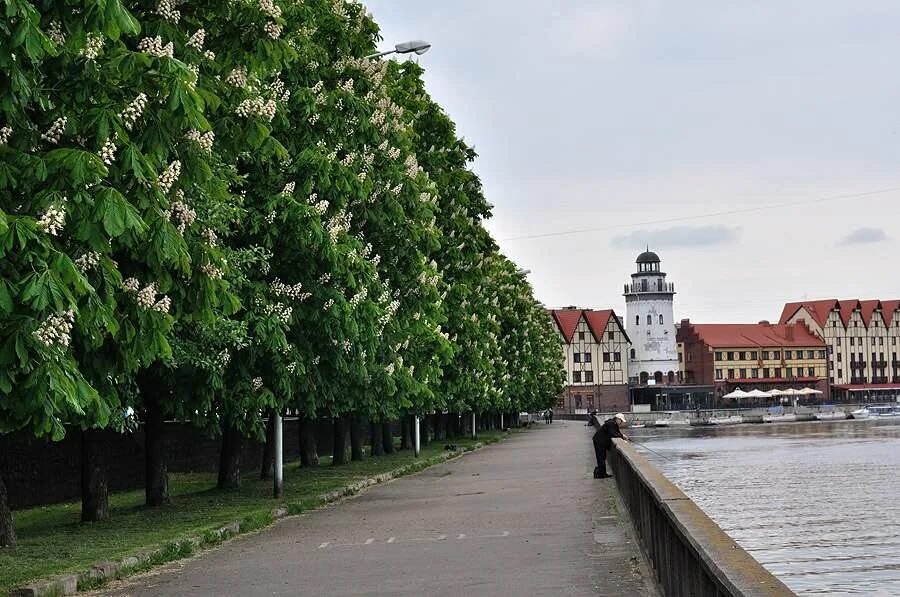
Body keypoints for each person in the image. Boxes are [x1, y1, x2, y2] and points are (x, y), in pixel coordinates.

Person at [591, 413, 629, 478]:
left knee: (602, 457)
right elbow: (613, 434)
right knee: (601, 458)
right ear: (617, 419)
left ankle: (602, 473)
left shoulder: (614, 424)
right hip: (599, 441)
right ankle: (600, 474)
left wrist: (622, 437)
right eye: (621, 421)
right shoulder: (611, 424)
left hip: (601, 441)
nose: (621, 422)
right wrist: (622, 436)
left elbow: (617, 432)